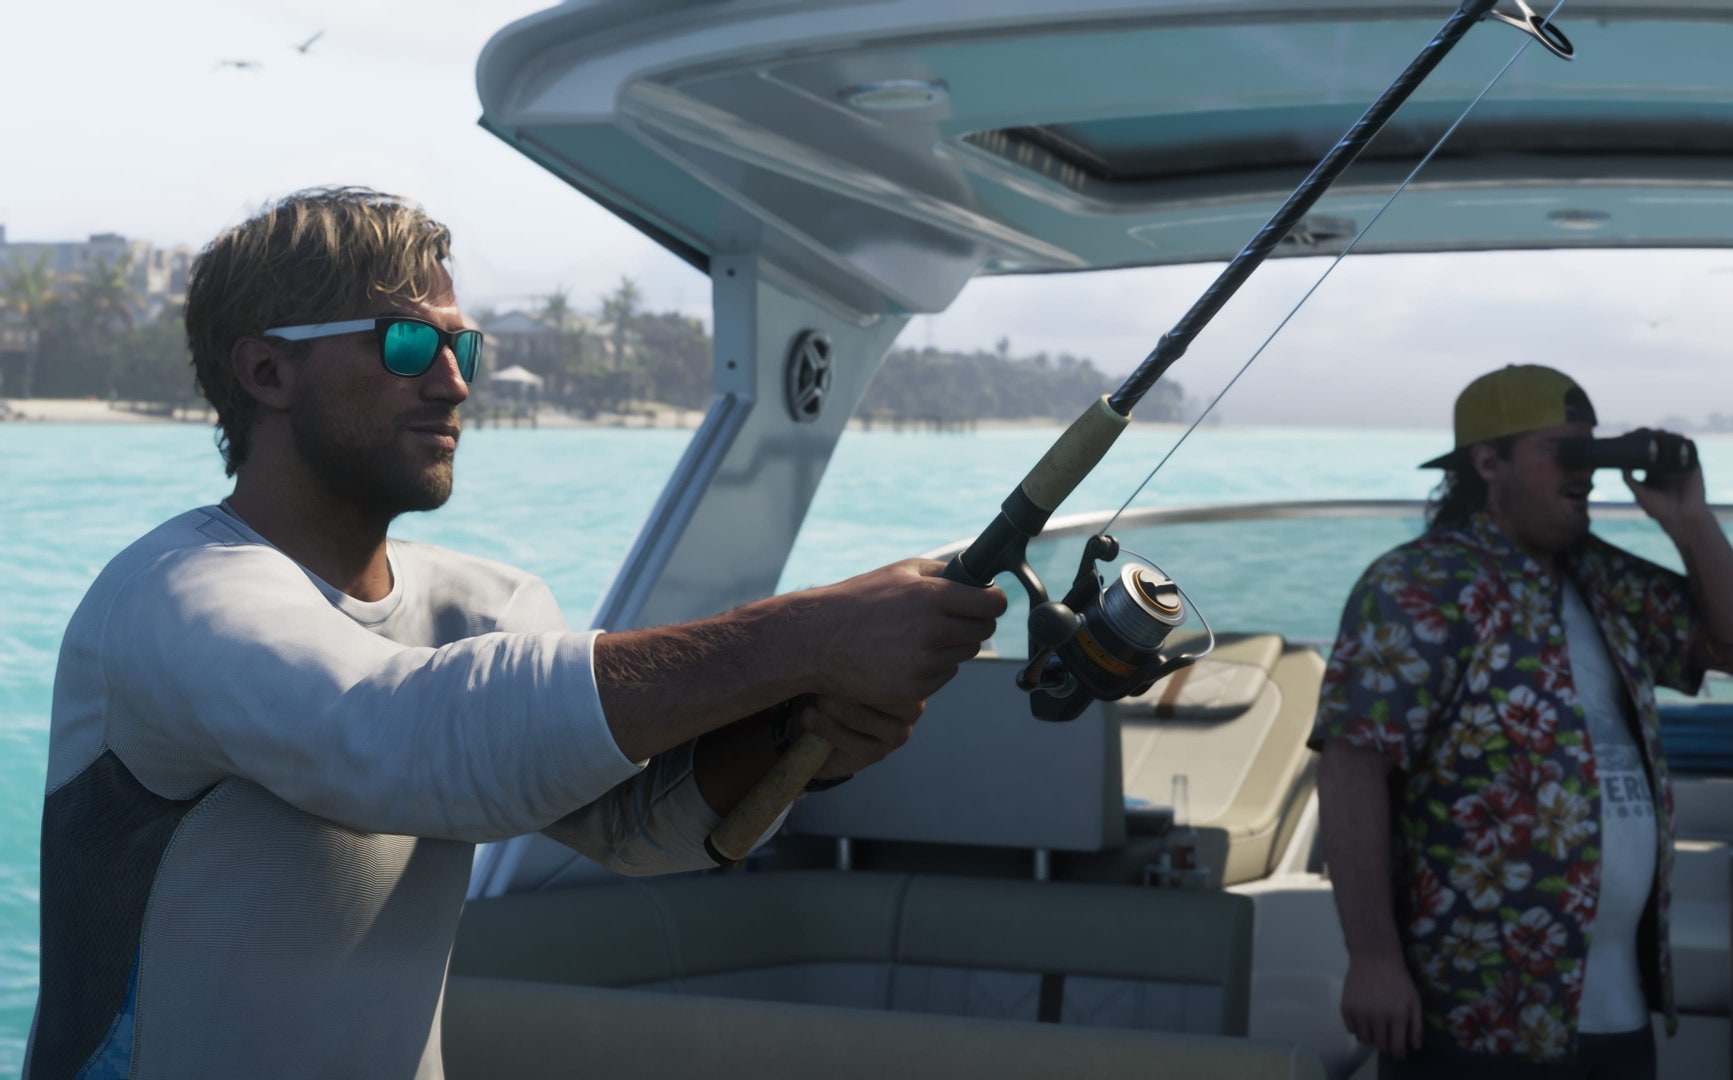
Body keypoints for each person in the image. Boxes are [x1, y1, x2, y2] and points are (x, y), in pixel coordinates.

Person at [25, 187, 1007, 1080]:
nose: (454, 384)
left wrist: (803, 739)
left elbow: (632, 825)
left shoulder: (484, 607)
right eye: (408, 345)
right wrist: (807, 637)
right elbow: (397, 739)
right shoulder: (175, 601)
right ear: (267, 370)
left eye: (466, 349)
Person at [1309, 365, 1733, 1077]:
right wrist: (1372, 958)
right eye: (1564, 451)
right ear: (1488, 463)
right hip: (1476, 1013)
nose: (1584, 471)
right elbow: (1351, 766)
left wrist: (1690, 521)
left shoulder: (1602, 579)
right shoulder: (1420, 584)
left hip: (1616, 1010)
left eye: (1593, 449)